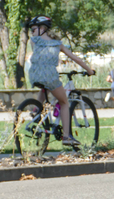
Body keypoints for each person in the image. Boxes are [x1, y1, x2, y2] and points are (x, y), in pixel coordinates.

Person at [27, 15, 95, 146]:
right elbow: (76, 59)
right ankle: (66, 137)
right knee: (64, 102)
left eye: (34, 29)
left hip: (34, 74)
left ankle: (36, 111)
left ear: (42, 28)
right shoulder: (57, 44)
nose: (32, 32)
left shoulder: (34, 41)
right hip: (50, 75)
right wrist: (89, 70)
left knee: (44, 86)